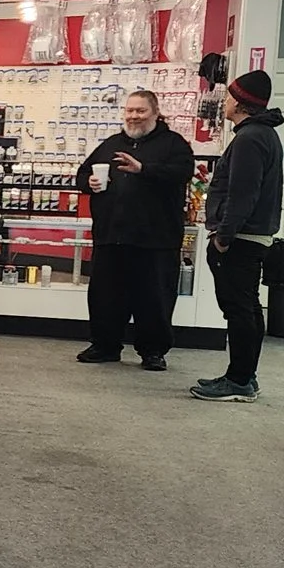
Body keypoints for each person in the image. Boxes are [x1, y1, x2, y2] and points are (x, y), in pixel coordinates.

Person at [73, 88, 196, 370]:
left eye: (140, 110)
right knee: (105, 296)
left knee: (154, 298)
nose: (134, 116)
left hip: (155, 240)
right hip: (111, 236)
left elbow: (182, 172)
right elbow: (82, 173)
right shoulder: (111, 144)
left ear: (155, 113)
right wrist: (88, 182)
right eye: (129, 110)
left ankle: (153, 352)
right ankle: (104, 346)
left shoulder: (173, 144)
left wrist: (144, 169)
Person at [193, 69, 284, 403]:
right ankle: (244, 375)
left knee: (240, 309)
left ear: (241, 102)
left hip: (241, 239)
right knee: (245, 307)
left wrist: (224, 237)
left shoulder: (250, 138)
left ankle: (239, 380)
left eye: (230, 96)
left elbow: (243, 193)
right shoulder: (261, 135)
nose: (225, 102)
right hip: (249, 236)